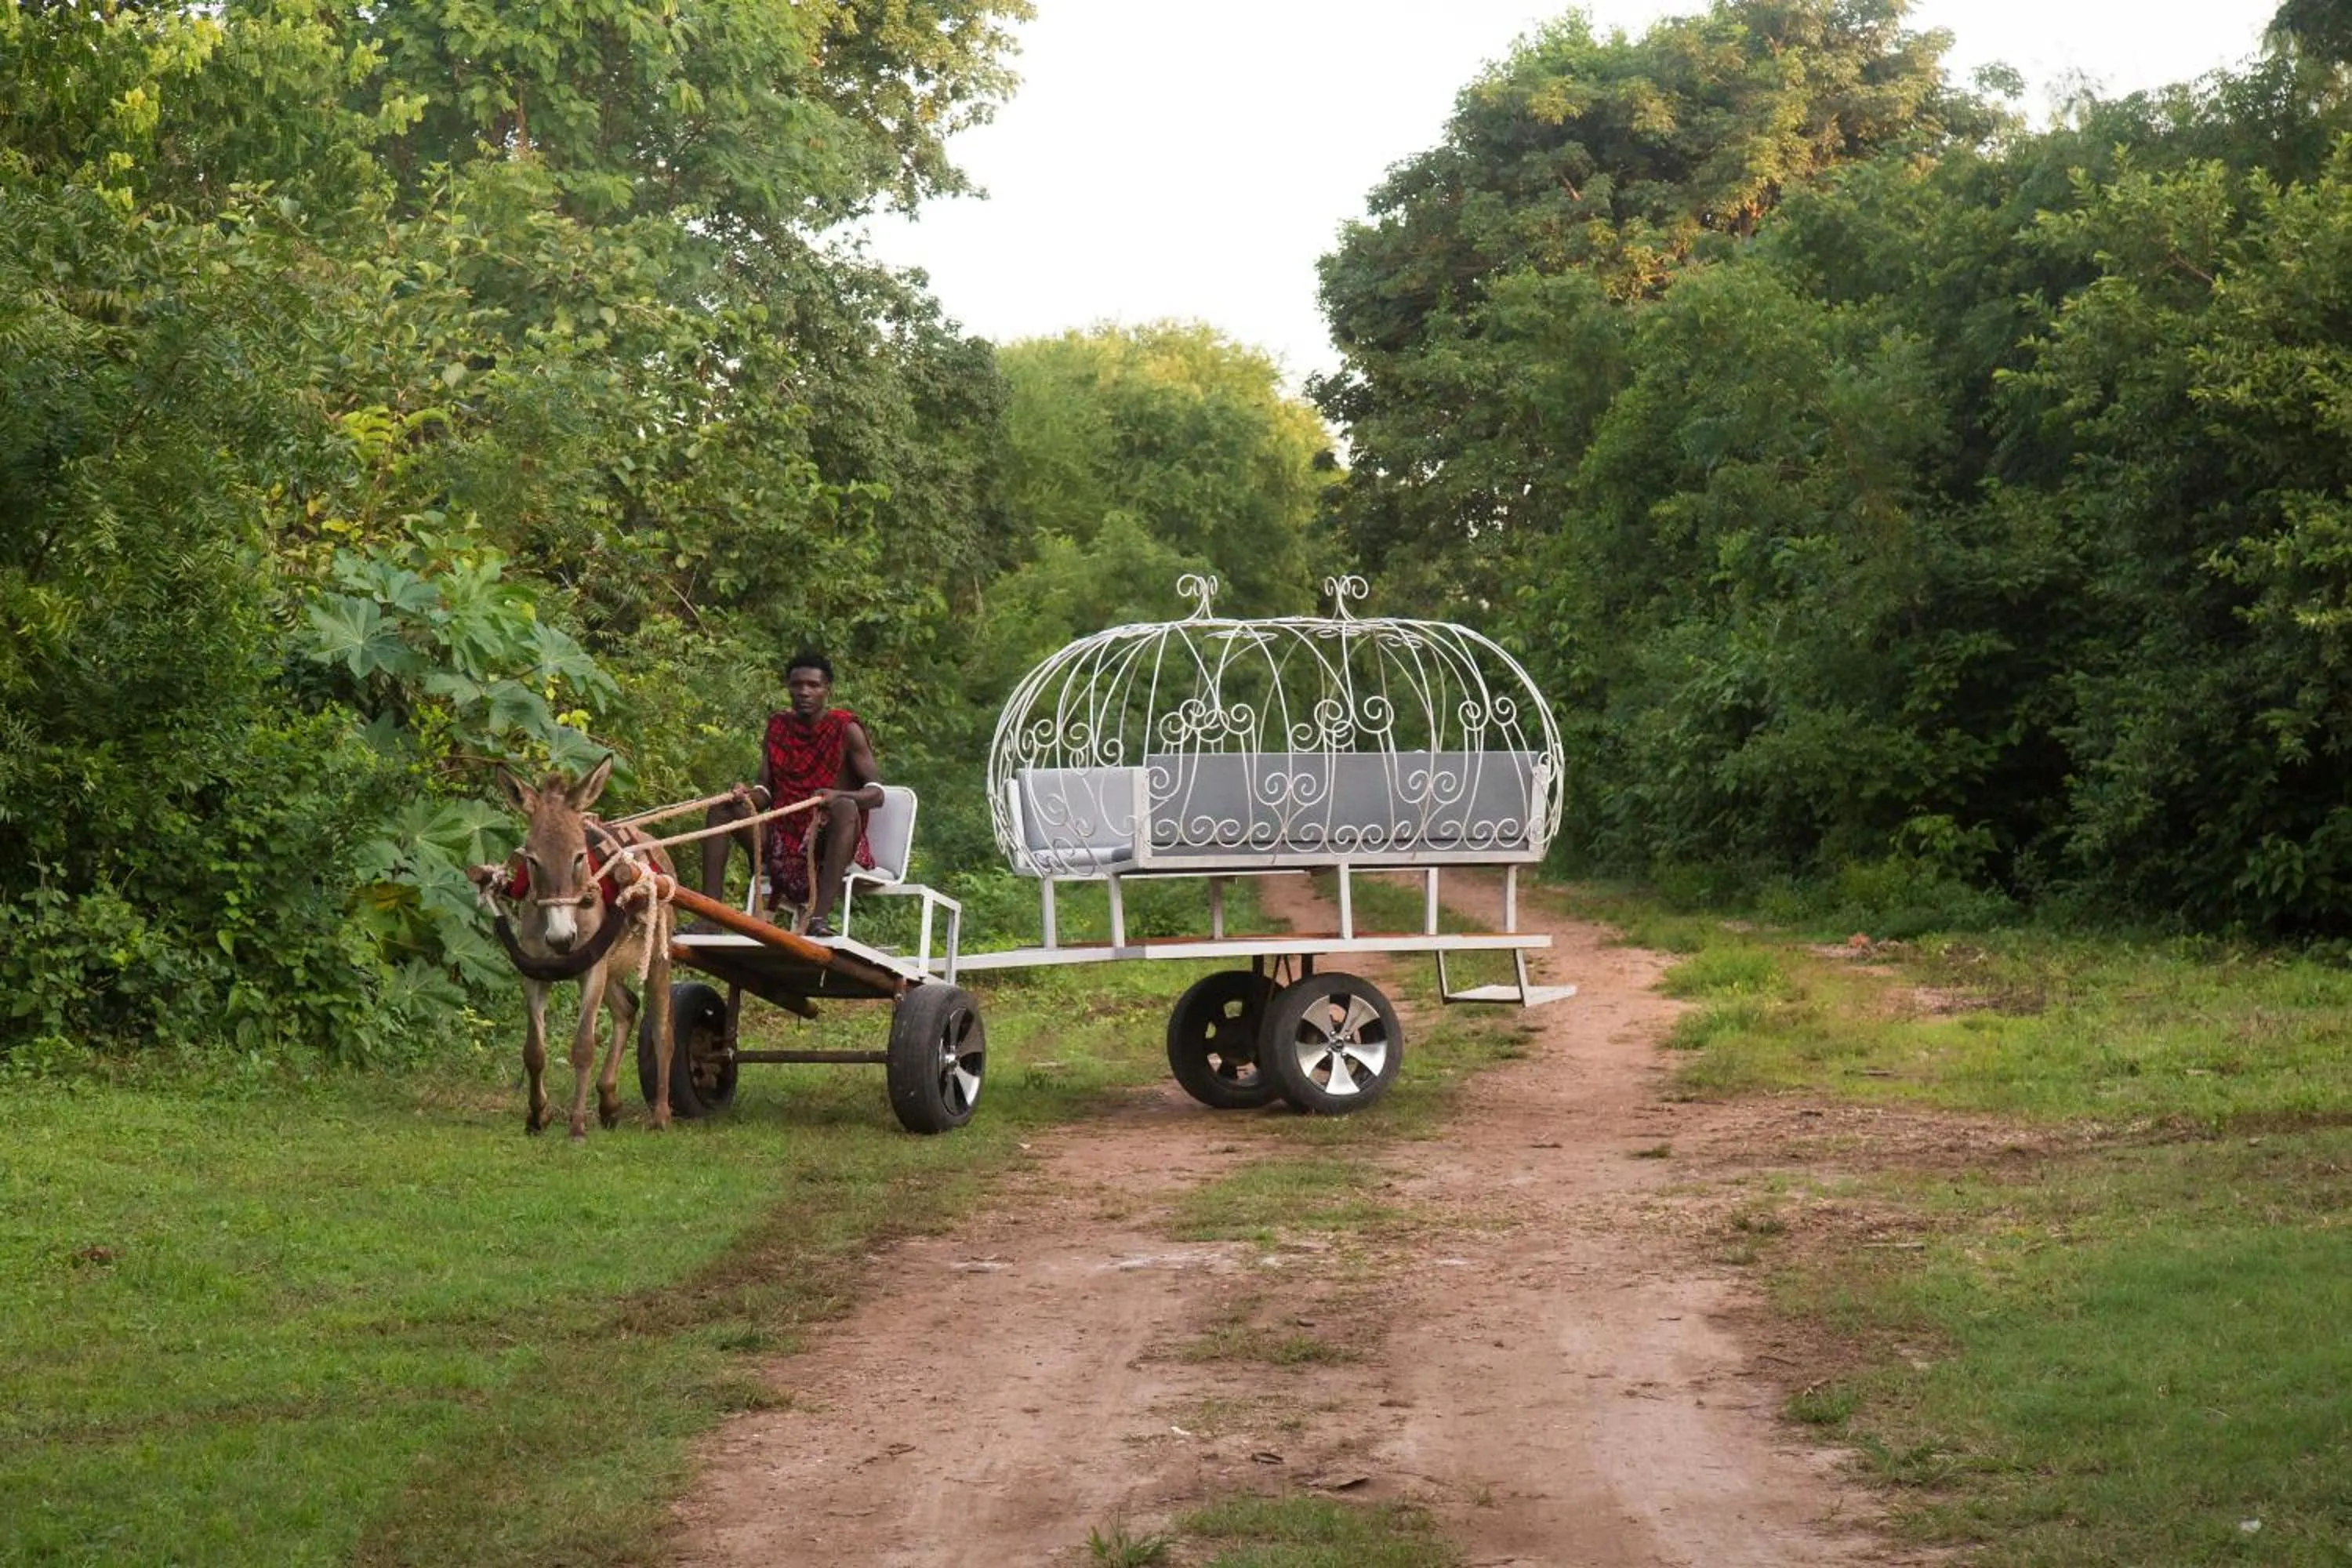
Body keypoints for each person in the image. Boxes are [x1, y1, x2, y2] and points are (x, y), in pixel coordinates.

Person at [699, 651, 882, 938]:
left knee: (846, 807)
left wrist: (837, 796)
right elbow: (765, 792)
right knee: (722, 808)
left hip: (825, 836)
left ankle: (818, 919)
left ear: (827, 689)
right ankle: (710, 918)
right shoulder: (778, 727)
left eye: (813, 685)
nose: (804, 692)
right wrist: (744, 796)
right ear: (788, 687)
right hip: (781, 838)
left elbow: (877, 794)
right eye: (797, 685)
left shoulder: (846, 728)